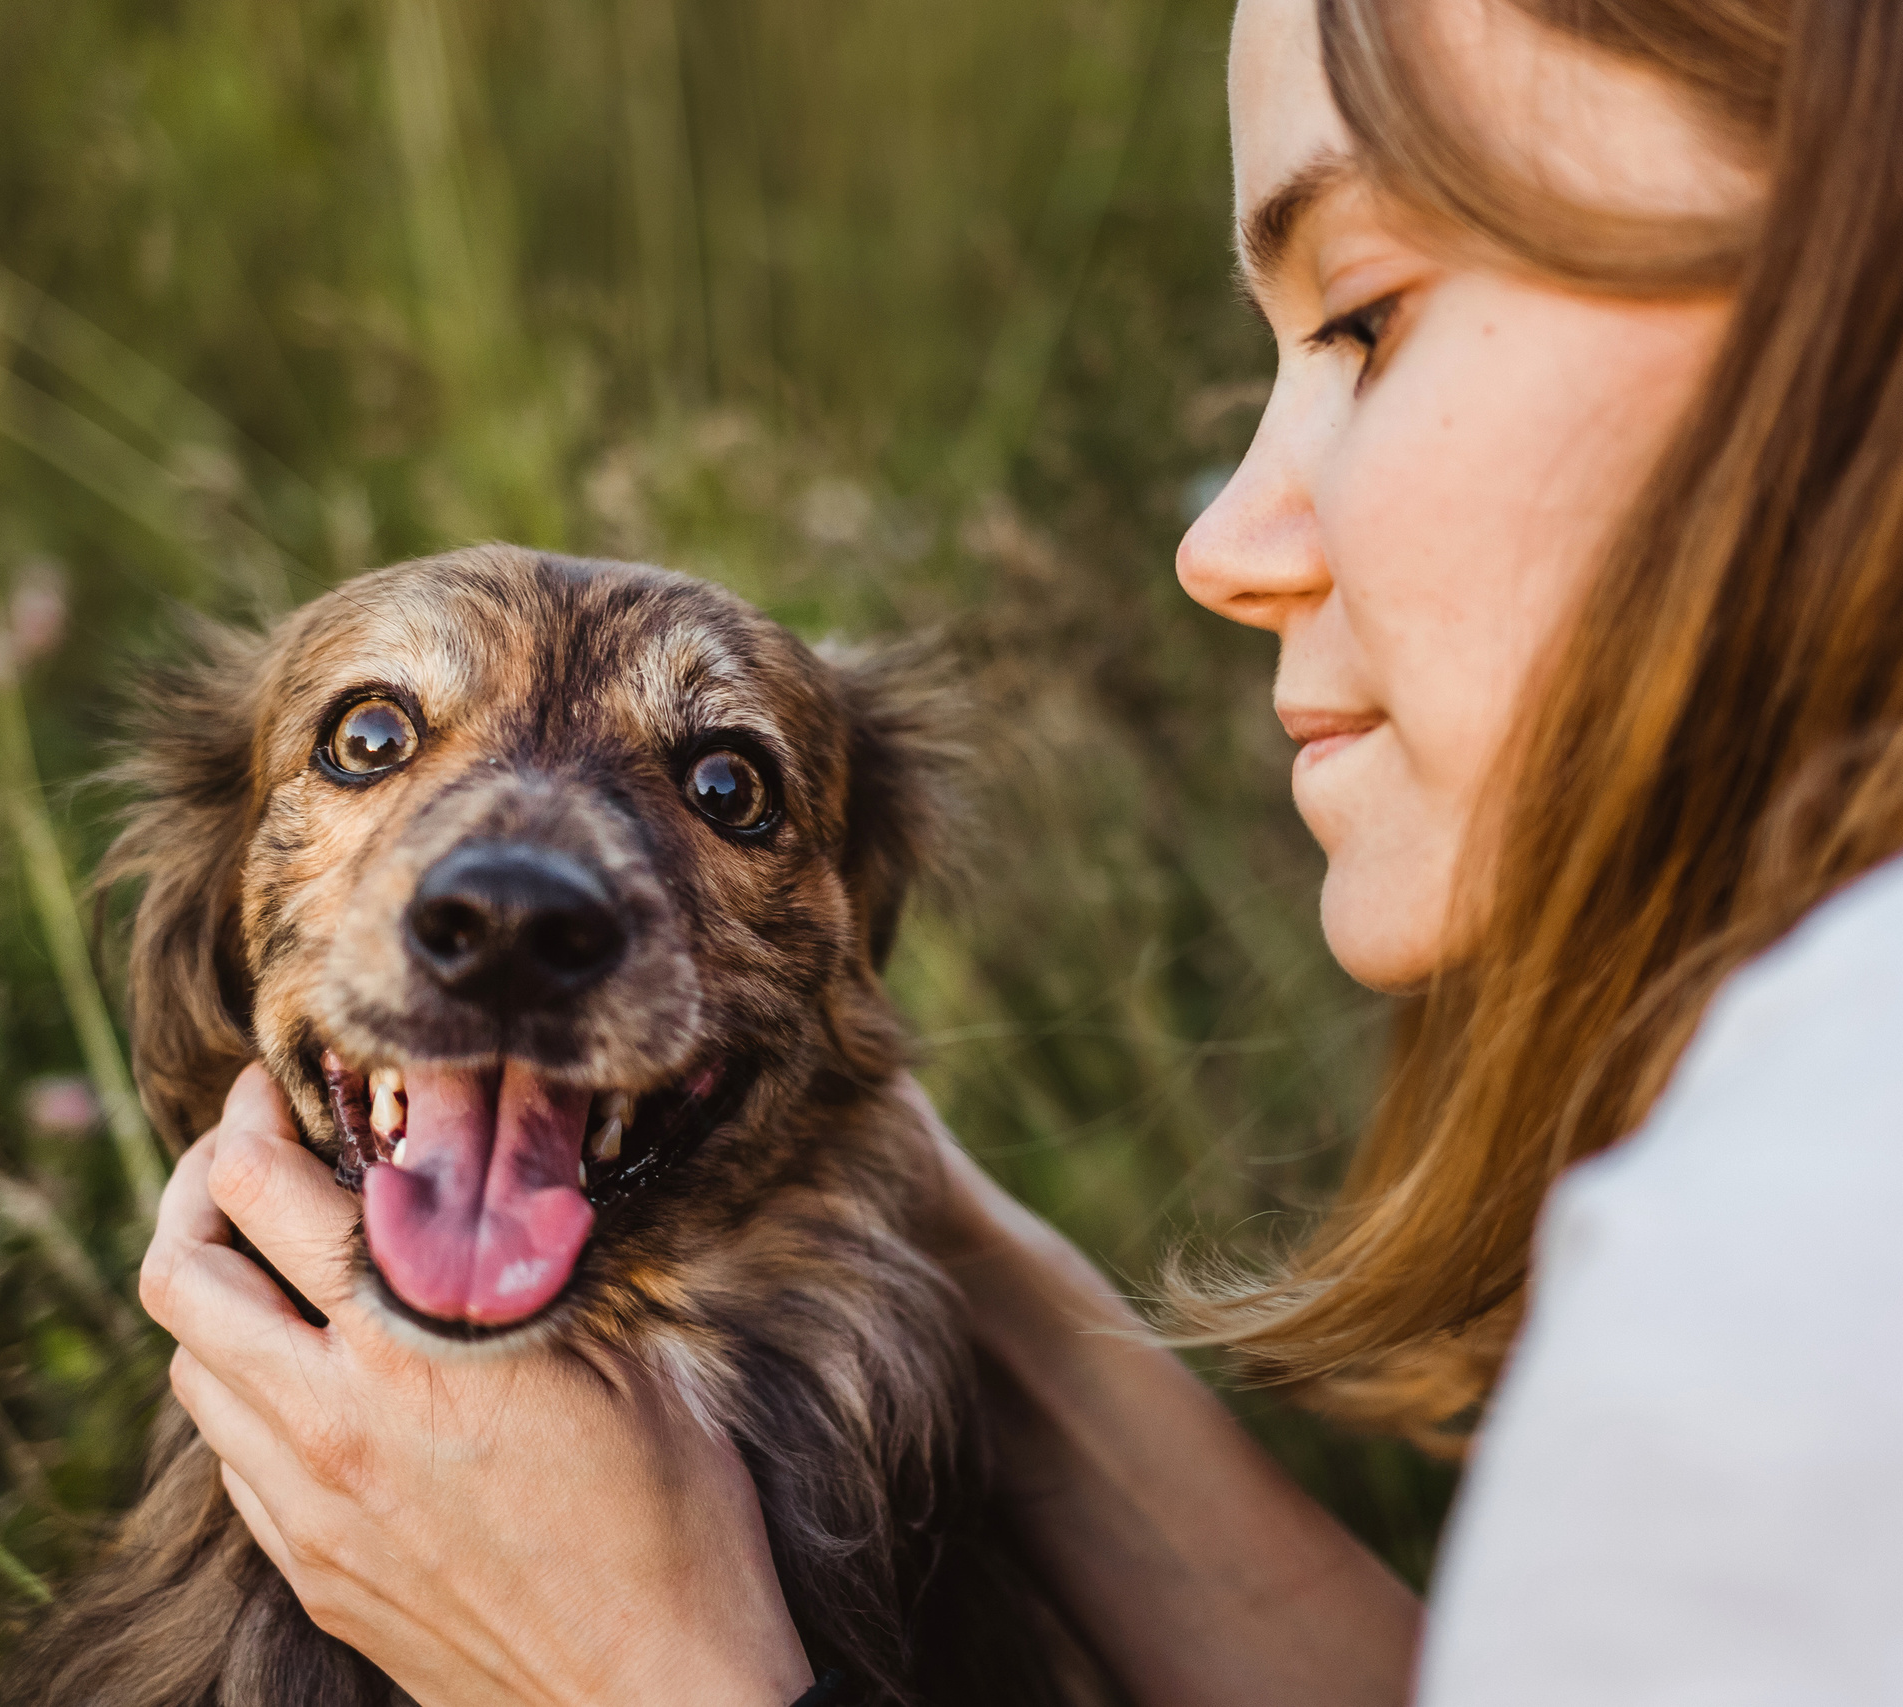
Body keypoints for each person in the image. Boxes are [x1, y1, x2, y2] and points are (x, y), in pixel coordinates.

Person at [134, 0, 1903, 1697]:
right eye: (375, 745)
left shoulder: (1785, 1261)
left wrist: (643, 1679)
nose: (1222, 546)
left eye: (1364, 314)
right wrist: (969, 1271)